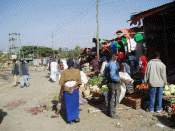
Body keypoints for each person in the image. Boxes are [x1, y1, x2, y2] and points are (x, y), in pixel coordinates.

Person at [59, 59, 82, 124]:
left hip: (67, 90)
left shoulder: (64, 72)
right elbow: (79, 82)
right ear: (73, 64)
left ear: (67, 64)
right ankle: (76, 117)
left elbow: (61, 83)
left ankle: (70, 119)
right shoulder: (77, 71)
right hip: (75, 90)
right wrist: (73, 88)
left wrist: (64, 90)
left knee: (69, 104)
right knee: (75, 104)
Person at [103, 52, 124, 119]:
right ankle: (113, 114)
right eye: (115, 55)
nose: (116, 57)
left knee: (110, 97)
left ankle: (110, 112)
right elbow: (112, 75)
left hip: (109, 83)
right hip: (114, 83)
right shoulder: (113, 64)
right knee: (114, 98)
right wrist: (119, 78)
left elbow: (104, 74)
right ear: (112, 56)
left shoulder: (107, 64)